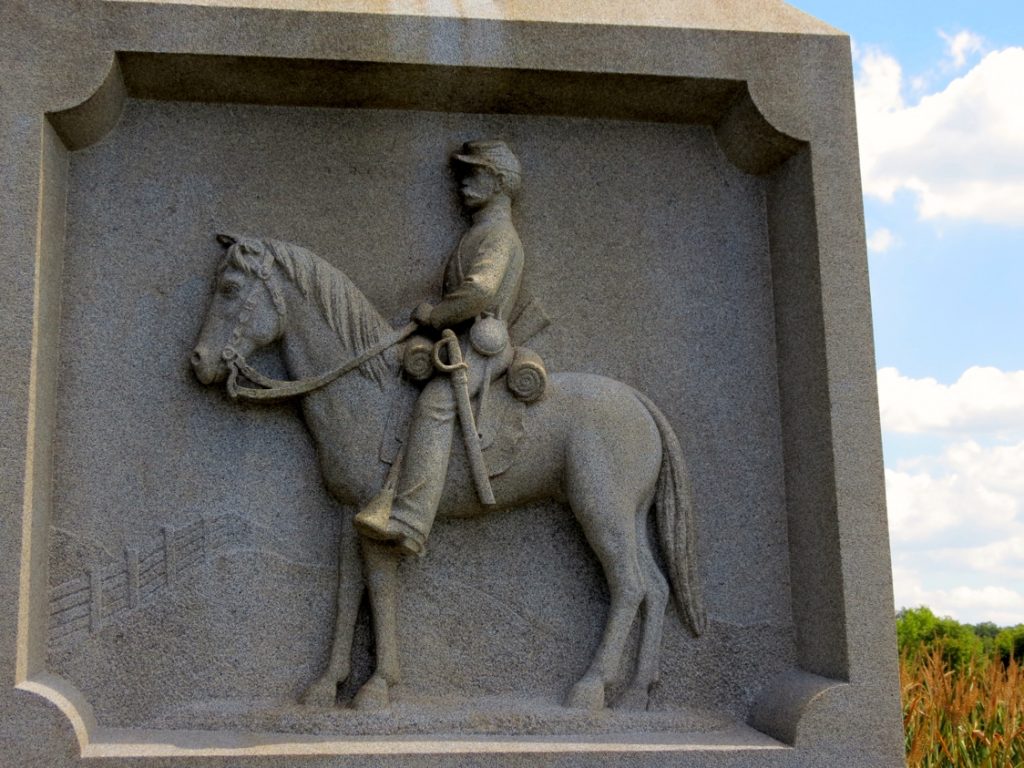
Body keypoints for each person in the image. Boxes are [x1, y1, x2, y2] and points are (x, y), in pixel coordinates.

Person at [354, 140, 524, 556]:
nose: (465, 183)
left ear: (499, 181)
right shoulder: (480, 232)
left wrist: (435, 315)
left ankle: (410, 522)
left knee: (435, 402)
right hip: (460, 344)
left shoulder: (498, 235)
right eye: (464, 174)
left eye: (476, 173)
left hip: (482, 347)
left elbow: (478, 293)